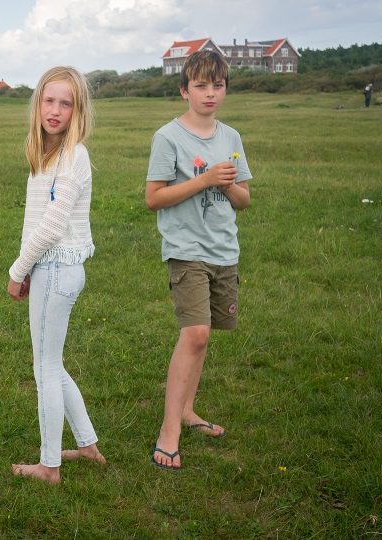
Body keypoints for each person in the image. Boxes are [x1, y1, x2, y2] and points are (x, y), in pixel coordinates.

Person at [145, 50, 251, 471]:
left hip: (224, 250)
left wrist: (224, 185)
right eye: (201, 86)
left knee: (204, 336)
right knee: (195, 333)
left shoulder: (232, 137)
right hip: (186, 250)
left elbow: (243, 199)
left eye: (218, 85)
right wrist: (204, 179)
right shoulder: (168, 137)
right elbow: (153, 198)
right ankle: (168, 431)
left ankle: (188, 411)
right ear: (184, 90)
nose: (210, 93)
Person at [7, 66, 106, 484]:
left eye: (66, 103)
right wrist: (28, 265)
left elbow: (52, 224)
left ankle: (49, 467)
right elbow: (35, 221)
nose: (55, 110)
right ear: (38, 103)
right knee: (52, 362)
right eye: (49, 100)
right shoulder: (43, 151)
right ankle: (86, 446)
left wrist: (18, 269)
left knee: (44, 368)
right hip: (50, 266)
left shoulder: (73, 154)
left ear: (77, 110)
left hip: (57, 267)